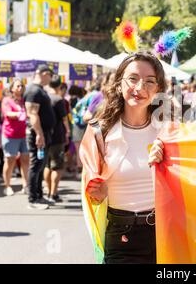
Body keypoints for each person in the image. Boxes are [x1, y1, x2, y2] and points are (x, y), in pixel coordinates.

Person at [80, 51, 166, 264]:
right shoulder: (99, 132)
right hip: (121, 236)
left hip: (166, 234)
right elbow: (91, 190)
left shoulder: (168, 131)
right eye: (133, 79)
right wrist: (97, 193)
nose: (140, 88)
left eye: (149, 81)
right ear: (119, 84)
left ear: (158, 89)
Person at [24, 64, 56, 210]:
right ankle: (33, 199)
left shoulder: (40, 90)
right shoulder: (33, 90)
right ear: (44, 74)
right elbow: (32, 114)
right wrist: (39, 134)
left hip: (44, 133)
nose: (50, 78)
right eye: (50, 75)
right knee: (36, 165)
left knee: (41, 166)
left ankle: (39, 195)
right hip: (38, 134)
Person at [1, 79, 29, 196]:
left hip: (24, 134)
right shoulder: (7, 100)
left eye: (22, 86)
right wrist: (19, 114)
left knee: (25, 160)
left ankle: (26, 185)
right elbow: (7, 113)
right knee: (10, 160)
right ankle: (7, 186)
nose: (20, 88)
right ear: (12, 88)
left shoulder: (24, 100)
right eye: (17, 86)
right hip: (10, 134)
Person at [44, 76, 70, 203]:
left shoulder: (44, 97)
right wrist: (68, 131)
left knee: (48, 165)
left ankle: (48, 191)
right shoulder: (59, 99)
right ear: (60, 86)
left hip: (46, 135)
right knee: (58, 166)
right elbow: (64, 118)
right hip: (58, 135)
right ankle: (53, 193)